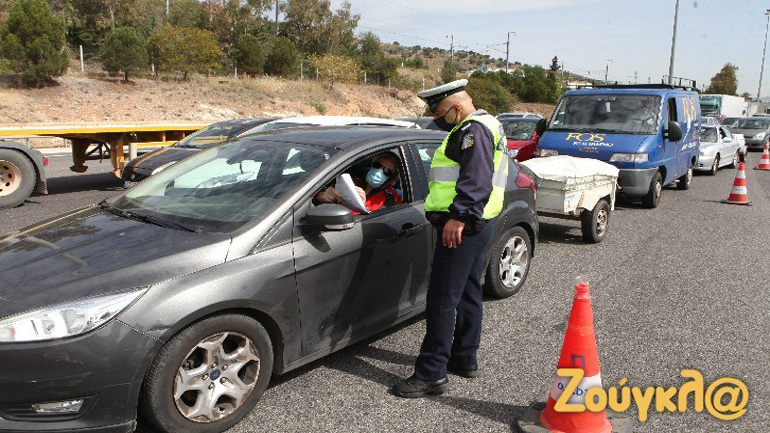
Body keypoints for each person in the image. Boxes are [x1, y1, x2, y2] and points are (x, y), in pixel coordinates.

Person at [390, 79, 508, 398]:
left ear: (456, 107)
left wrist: (458, 216)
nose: (437, 120)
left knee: (442, 299)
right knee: (469, 291)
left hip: (462, 226)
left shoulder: (473, 130)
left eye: (440, 112)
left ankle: (431, 374)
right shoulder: (486, 124)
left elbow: (476, 179)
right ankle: (464, 358)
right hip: (479, 224)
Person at [316, 153, 402, 213]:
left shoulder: (391, 197)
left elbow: (380, 224)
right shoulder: (352, 180)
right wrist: (322, 196)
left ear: (391, 179)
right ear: (371, 165)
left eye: (387, 171)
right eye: (377, 165)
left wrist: (363, 208)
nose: (378, 172)